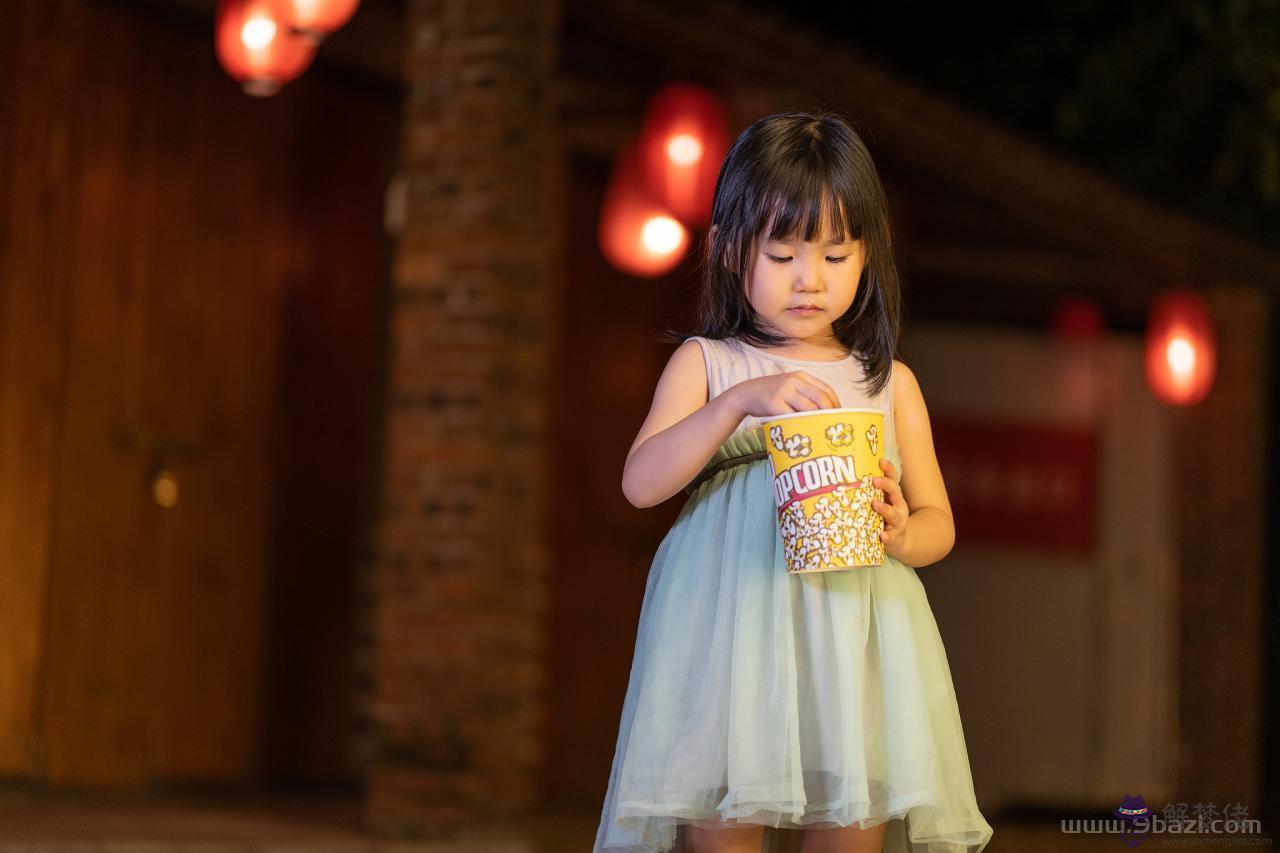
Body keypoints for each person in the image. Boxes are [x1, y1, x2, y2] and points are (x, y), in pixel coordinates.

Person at [591, 111, 994, 853]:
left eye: (836, 255)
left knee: (850, 831)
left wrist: (904, 530)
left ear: (868, 256)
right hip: (730, 649)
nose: (809, 279)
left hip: (853, 651)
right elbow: (642, 482)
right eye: (782, 253)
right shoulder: (709, 366)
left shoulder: (888, 383)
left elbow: (940, 523)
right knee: (723, 831)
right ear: (728, 250)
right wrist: (739, 402)